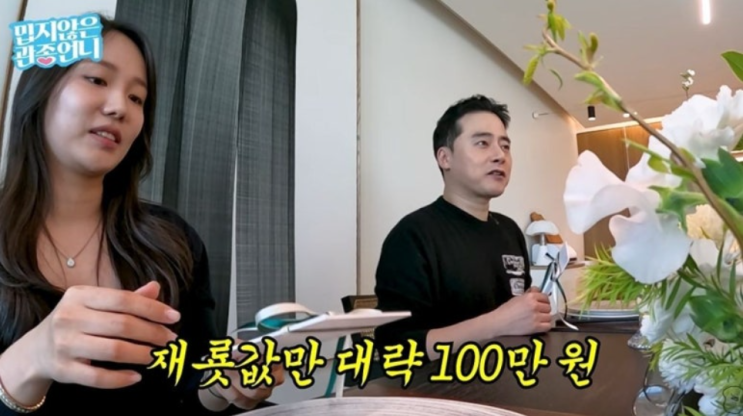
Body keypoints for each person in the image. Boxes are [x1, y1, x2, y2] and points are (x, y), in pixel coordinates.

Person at [0, 15, 283, 414]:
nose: (119, 107)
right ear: (40, 91)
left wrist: (224, 386)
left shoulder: (172, 241)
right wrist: (29, 360)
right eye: (96, 79)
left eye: (137, 98)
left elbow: (194, 388)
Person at [374, 95, 552, 362]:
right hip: (444, 385)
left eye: (505, 146)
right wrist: (498, 322)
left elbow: (521, 319)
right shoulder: (413, 235)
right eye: (482, 143)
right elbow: (394, 349)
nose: (500, 155)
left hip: (514, 377)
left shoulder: (509, 230)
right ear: (445, 158)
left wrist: (533, 313)